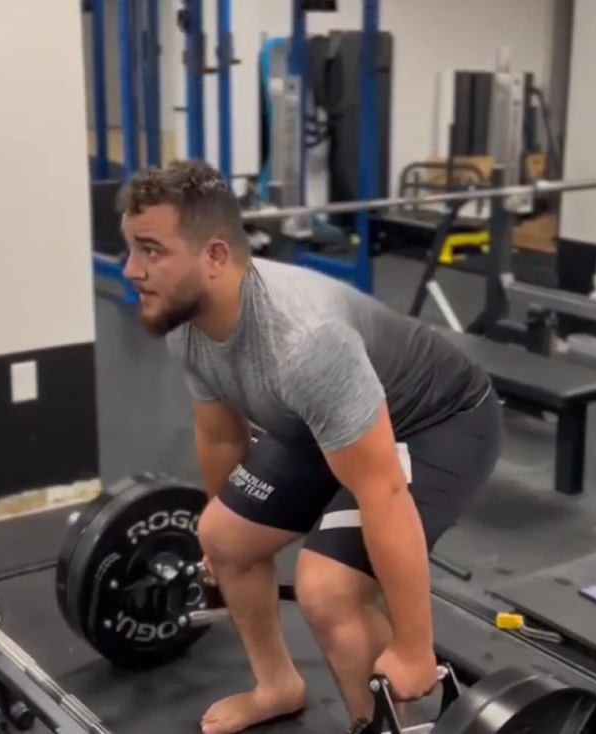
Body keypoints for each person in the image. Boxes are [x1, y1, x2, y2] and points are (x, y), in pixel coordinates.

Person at [118, 160, 503, 734]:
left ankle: (376, 726)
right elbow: (221, 437)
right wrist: (225, 539)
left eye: (151, 250)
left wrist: (414, 646)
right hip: (322, 418)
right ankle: (277, 686)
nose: (131, 269)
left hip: (436, 422)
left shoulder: (304, 343)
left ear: (215, 257)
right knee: (221, 535)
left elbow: (383, 491)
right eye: (131, 248)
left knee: (329, 590)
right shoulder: (188, 321)